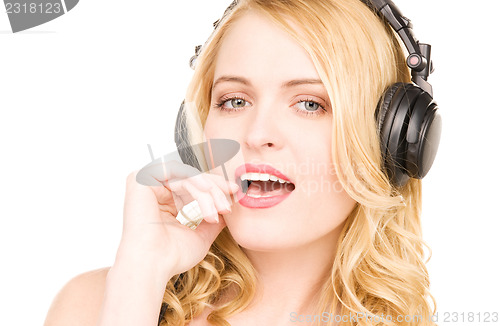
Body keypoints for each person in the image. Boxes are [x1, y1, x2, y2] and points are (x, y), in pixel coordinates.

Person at [44, 0, 438, 325]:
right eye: (235, 101)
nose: (256, 134)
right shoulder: (94, 307)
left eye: (309, 104)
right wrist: (138, 280)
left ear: (392, 140)